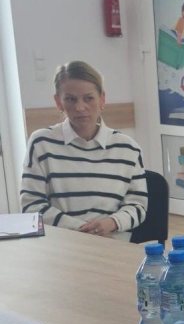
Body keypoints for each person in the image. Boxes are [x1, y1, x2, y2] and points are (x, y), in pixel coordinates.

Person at [20, 61, 148, 241]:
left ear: (102, 99)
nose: (80, 107)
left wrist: (112, 222)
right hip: (60, 243)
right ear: (58, 102)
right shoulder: (41, 143)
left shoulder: (128, 148)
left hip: (112, 243)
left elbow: (138, 206)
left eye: (88, 98)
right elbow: (31, 206)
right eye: (70, 99)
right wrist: (79, 229)